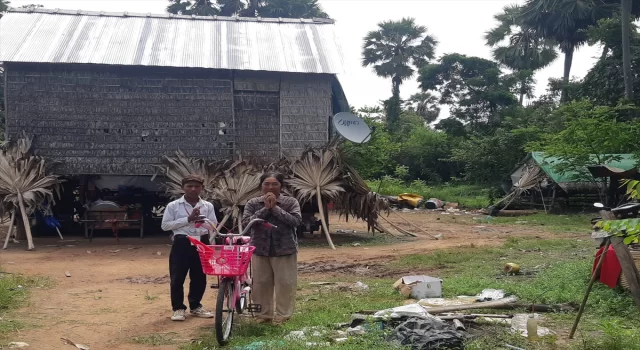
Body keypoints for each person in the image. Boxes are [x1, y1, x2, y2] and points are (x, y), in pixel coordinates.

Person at [242, 172, 302, 324]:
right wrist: (265, 209)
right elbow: (246, 223)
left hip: (285, 249)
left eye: (275, 184)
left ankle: (283, 315)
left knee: (285, 284)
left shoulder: (291, 202)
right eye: (266, 184)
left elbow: (295, 221)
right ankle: (263, 315)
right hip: (260, 249)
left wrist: (275, 208)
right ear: (261, 186)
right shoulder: (253, 203)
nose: (270, 187)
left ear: (281, 186)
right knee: (260, 284)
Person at [161, 175, 217, 321]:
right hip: (182, 242)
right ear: (183, 187)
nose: (193, 189)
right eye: (189, 186)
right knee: (178, 276)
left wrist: (202, 221)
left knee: (199, 276)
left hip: (202, 241)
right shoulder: (174, 206)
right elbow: (165, 225)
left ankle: (196, 306)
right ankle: (178, 308)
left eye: (197, 186)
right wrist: (188, 219)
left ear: (202, 188)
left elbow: (213, 225)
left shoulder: (207, 206)